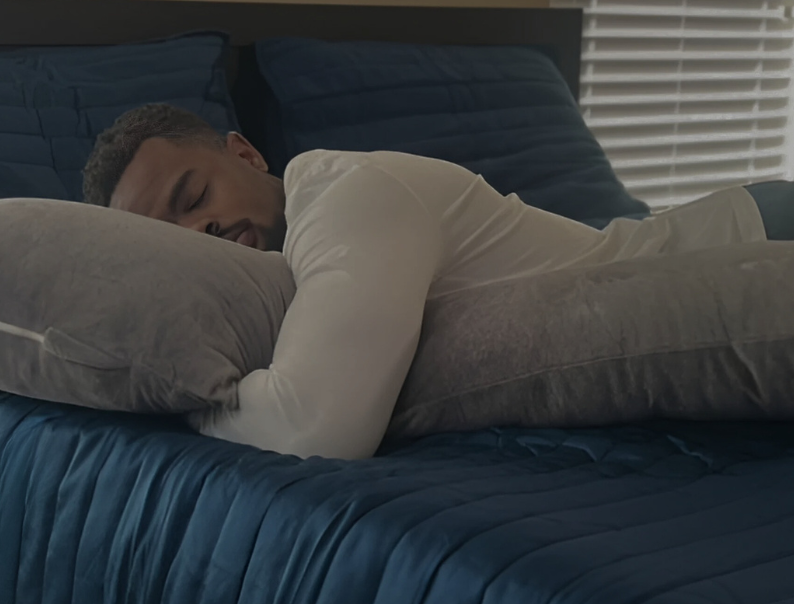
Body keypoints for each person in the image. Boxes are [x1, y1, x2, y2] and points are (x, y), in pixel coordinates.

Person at [83, 103, 789, 459]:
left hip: (747, 240)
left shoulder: (351, 199)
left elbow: (320, 426)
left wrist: (190, 406)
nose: (198, 232)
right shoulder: (279, 264)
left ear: (246, 153)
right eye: (168, 235)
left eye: (193, 194)